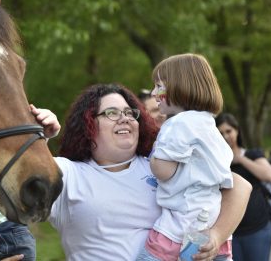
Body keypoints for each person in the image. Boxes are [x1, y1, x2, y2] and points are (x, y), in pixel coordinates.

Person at [30, 83, 252, 261]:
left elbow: (239, 187)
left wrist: (216, 236)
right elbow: (18, 173)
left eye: (129, 112)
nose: (125, 118)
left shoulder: (160, 167)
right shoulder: (69, 173)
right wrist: (40, 136)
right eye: (111, 113)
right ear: (88, 124)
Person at [137, 54, 234, 261]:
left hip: (179, 229)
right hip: (212, 226)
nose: (153, 92)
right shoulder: (208, 124)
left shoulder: (178, 124)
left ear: (180, 86)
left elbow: (163, 171)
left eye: (158, 86)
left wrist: (156, 151)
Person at [215, 113, 271, 261]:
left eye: (229, 131)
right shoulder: (215, 162)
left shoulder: (252, 154)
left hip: (257, 228)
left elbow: (270, 175)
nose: (225, 136)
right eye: (220, 133)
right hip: (229, 231)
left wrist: (240, 159)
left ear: (237, 131)